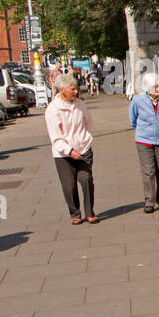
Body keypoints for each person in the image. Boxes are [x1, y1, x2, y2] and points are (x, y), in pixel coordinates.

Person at [45, 72, 97, 224]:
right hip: (63, 154)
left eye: (76, 88)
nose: (76, 91)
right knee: (69, 185)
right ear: (61, 90)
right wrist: (69, 150)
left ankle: (90, 212)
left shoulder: (80, 104)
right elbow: (55, 136)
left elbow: (88, 122)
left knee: (86, 179)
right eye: (72, 89)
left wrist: (84, 138)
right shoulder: (53, 109)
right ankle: (75, 213)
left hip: (83, 147)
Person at [129, 72, 159, 213]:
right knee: (148, 172)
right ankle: (149, 201)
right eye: (154, 86)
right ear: (146, 87)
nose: (157, 89)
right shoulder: (137, 100)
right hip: (145, 141)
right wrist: (145, 132)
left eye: (158, 85)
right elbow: (133, 120)